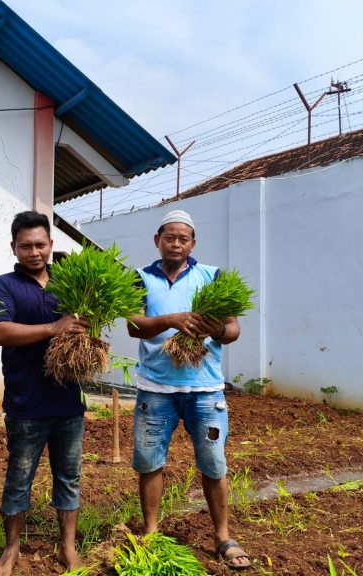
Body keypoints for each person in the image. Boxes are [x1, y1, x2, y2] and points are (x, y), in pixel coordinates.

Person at [126, 209, 252, 570]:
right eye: (170, 237)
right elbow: (134, 326)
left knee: (213, 463)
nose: (176, 243)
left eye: (183, 238)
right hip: (155, 388)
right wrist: (170, 320)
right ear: (157, 241)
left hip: (205, 389)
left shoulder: (213, 276)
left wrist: (214, 330)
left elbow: (233, 330)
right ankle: (151, 532)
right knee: (150, 463)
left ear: (193, 243)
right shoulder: (140, 278)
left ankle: (223, 536)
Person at [0, 211, 89, 576]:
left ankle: (67, 548)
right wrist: (54, 327)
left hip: (69, 403)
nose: (34, 252)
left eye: (40, 244)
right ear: (14, 247)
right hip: (26, 403)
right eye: (26, 245)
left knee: (69, 477)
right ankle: (10, 550)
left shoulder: (69, 281)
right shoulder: (3, 285)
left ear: (51, 245)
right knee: (19, 478)